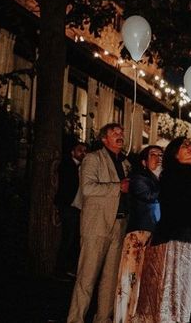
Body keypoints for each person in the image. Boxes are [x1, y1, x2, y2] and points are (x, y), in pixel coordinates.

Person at [135, 137, 191, 323]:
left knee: (177, 291)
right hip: (173, 241)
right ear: (175, 154)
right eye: (185, 146)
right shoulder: (174, 175)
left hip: (185, 239)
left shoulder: (190, 174)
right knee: (168, 289)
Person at [67, 124, 130, 323]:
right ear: (104, 139)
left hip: (119, 225)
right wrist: (118, 187)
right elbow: (87, 188)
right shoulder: (93, 158)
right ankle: (75, 319)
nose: (120, 136)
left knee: (110, 281)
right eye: (115, 133)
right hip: (96, 225)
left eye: (121, 133)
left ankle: (103, 318)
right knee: (87, 277)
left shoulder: (126, 163)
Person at [114, 145, 163, 323]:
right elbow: (149, 196)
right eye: (153, 154)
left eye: (161, 155)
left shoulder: (160, 179)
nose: (158, 158)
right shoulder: (139, 179)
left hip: (155, 237)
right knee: (131, 281)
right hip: (138, 235)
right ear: (144, 161)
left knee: (148, 283)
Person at [54, 140, 88, 278]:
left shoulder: (82, 167)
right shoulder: (67, 165)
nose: (83, 153)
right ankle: (60, 268)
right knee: (68, 237)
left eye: (85, 151)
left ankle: (68, 267)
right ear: (72, 152)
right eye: (80, 150)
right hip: (69, 206)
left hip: (78, 207)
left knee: (74, 238)